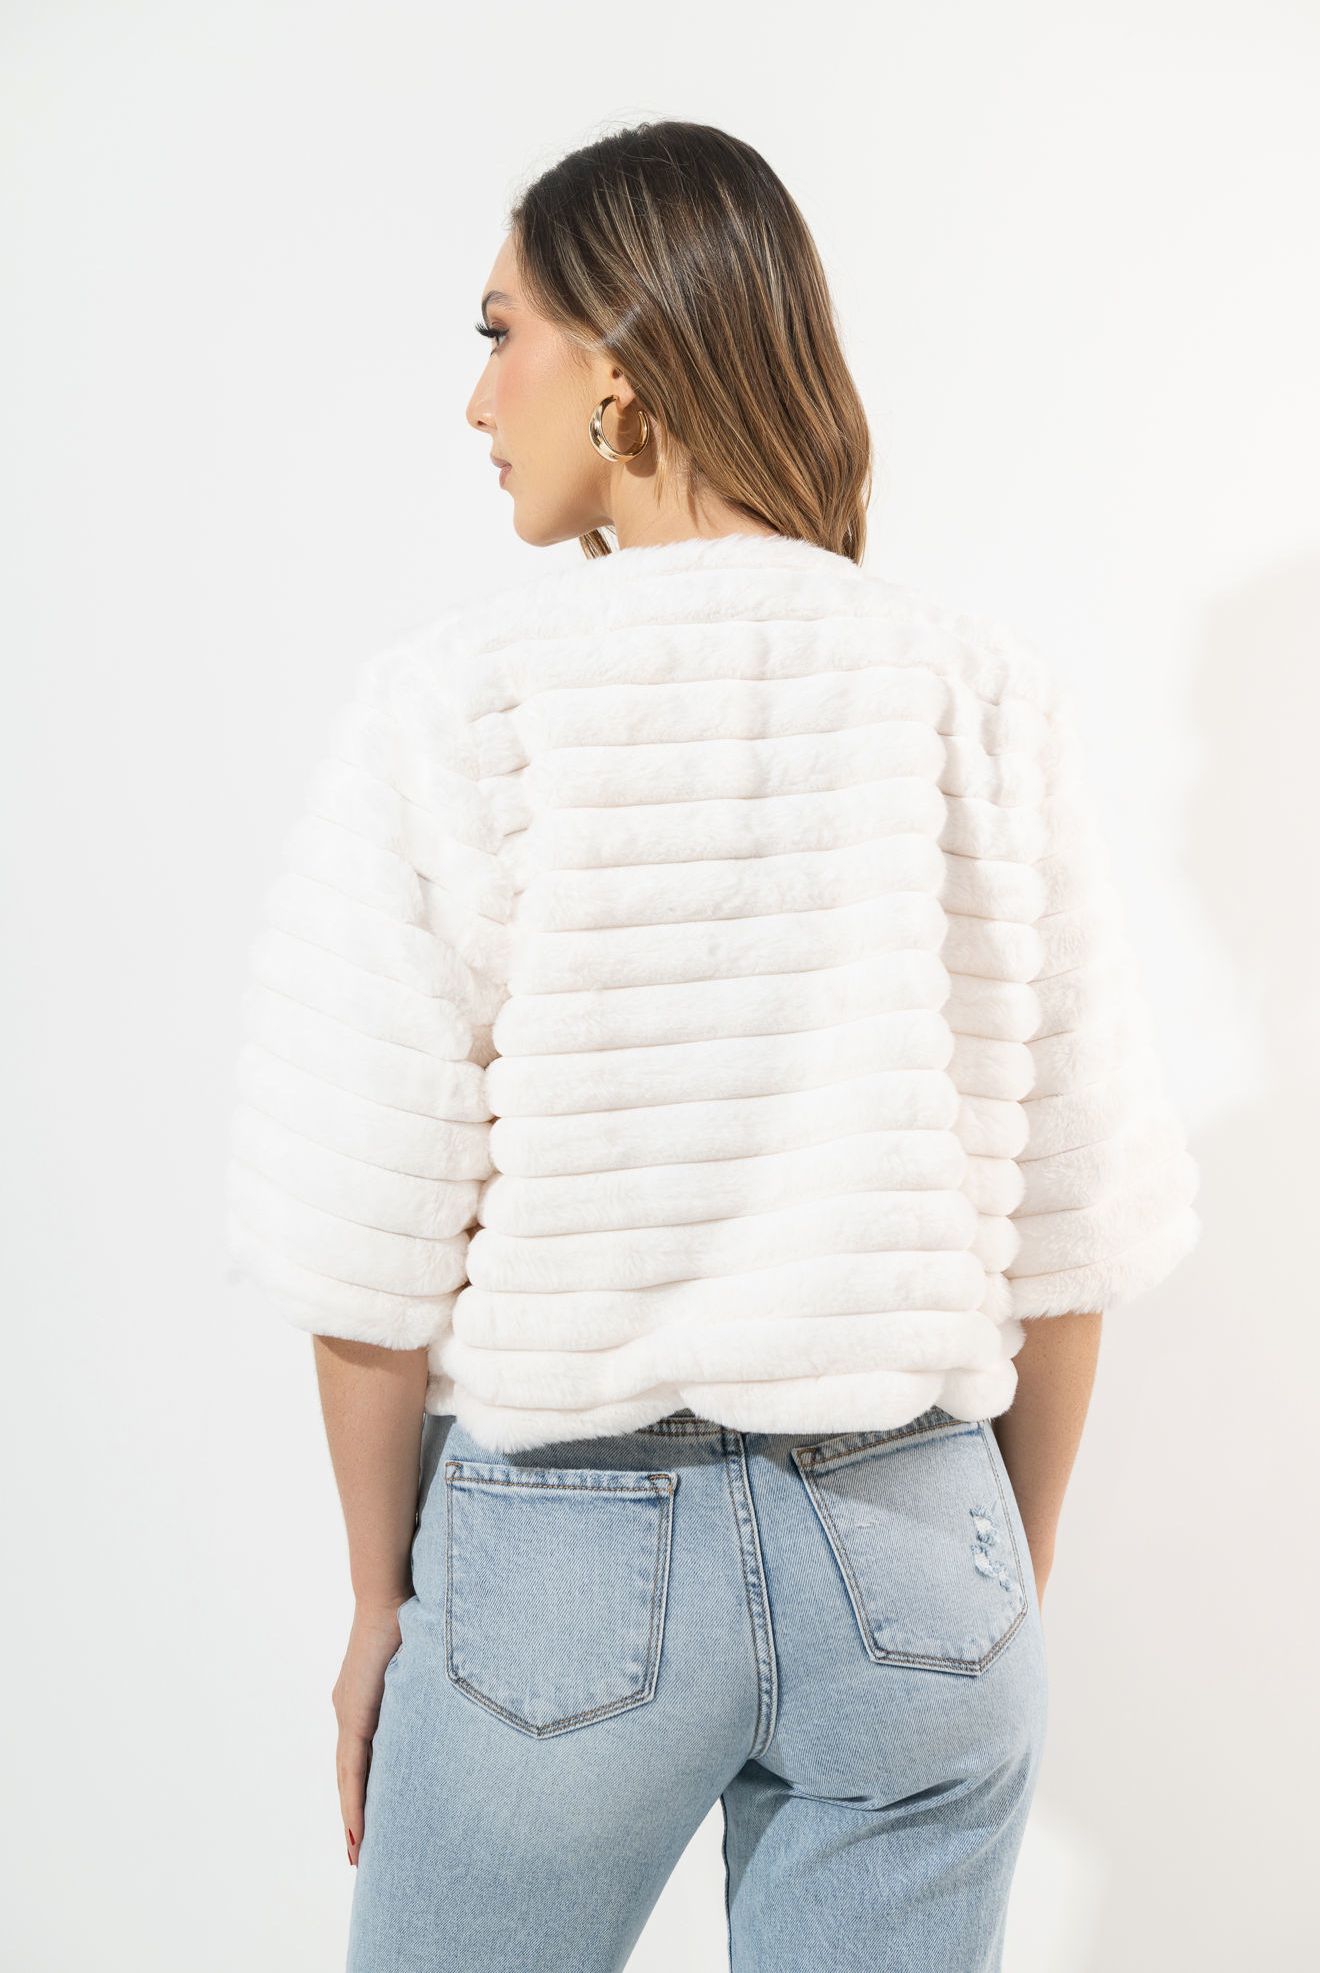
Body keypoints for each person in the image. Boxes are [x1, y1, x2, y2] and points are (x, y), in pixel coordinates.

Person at [225, 120, 1201, 1972]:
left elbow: (363, 1250)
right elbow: (1072, 1228)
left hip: (563, 1566)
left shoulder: (461, 710)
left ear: (618, 372)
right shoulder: (980, 699)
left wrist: (376, 1606)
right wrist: (997, 1577)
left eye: (499, 332)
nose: (476, 398)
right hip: (923, 1545)